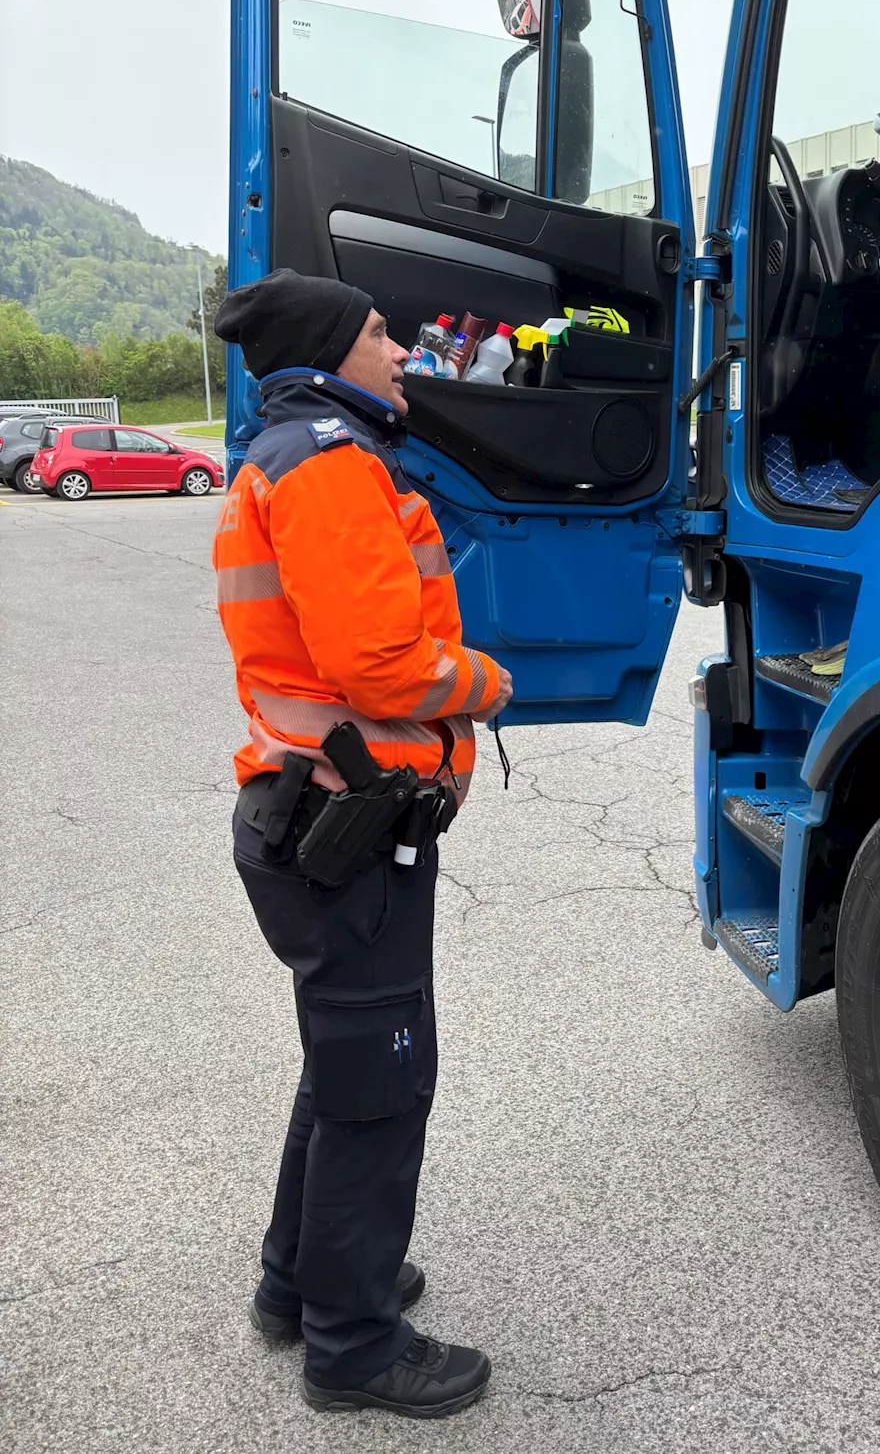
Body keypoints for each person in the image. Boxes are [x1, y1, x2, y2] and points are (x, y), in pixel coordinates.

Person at [212, 268, 512, 1420]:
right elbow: (381, 663)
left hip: (305, 815)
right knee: (380, 1085)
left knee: (346, 1071)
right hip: (344, 825)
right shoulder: (331, 466)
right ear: (332, 350)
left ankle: (301, 1284)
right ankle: (352, 1345)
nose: (402, 351)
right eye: (382, 333)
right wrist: (486, 682)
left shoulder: (281, 453)